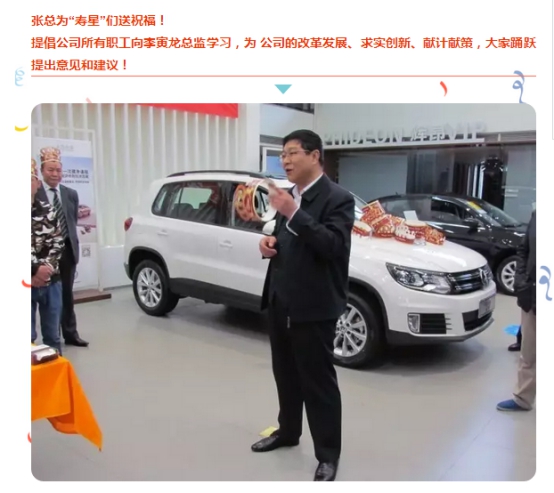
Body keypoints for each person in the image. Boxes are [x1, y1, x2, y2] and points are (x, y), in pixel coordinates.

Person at [251, 130, 355, 481]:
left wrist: (293, 212)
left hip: (314, 306)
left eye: (293, 153)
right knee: (285, 373)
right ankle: (288, 431)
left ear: (315, 156)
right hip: (281, 299)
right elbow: (289, 240)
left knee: (318, 383)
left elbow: (332, 246)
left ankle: (327, 454)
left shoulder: (338, 199)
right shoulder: (290, 196)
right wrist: (269, 243)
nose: (286, 160)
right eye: (283, 154)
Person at [37, 147, 89, 347]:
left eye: (58, 170)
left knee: (66, 294)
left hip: (67, 250)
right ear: (42, 171)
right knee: (46, 296)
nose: (55, 174)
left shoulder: (70, 194)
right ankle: (51, 337)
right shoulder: (34, 193)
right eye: (50, 170)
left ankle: (70, 333)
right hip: (43, 254)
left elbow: (72, 220)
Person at [497, 209, 536, 411]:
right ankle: (523, 398)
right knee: (529, 352)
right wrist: (521, 281)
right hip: (534, 296)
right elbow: (523, 250)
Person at [31, 158, 65, 354]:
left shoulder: (48, 210)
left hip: (52, 279)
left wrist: (46, 269)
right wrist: (34, 270)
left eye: (30, 180)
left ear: (37, 183)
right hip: (25, 281)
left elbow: (58, 241)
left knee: (53, 336)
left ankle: (53, 370)